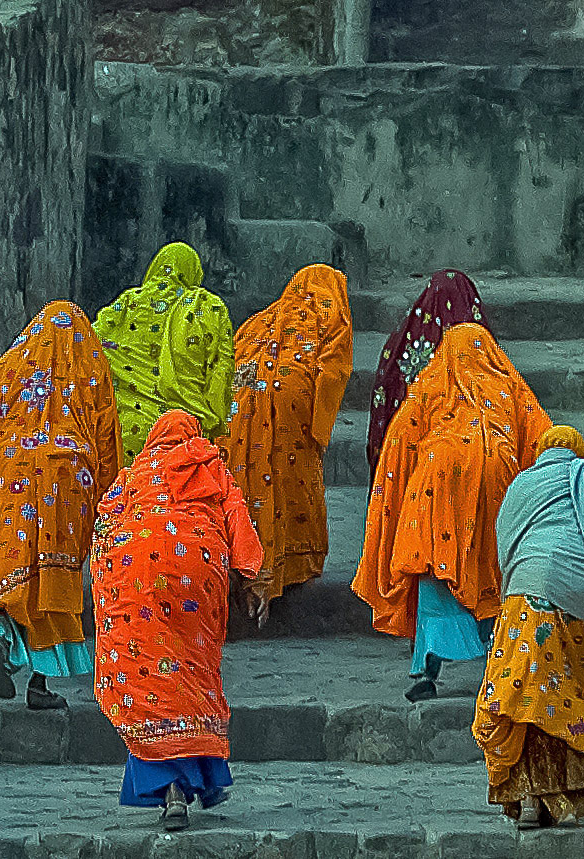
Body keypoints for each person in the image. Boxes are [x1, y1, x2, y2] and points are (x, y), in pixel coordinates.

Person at [353, 322, 551, 701]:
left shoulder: (431, 385)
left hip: (435, 490)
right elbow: (544, 440)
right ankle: (498, 666)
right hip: (496, 491)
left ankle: (427, 672)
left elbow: (397, 442)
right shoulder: (509, 386)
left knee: (435, 578)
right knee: (491, 574)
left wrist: (394, 499)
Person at [474, 426, 584, 828]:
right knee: (582, 689)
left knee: (526, 695)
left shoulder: (523, 485)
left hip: (528, 597)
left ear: (540, 454)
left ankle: (528, 801)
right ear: (580, 453)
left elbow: (505, 544)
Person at [92, 410, 263, 832]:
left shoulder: (134, 473)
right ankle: (185, 785)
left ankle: (170, 788)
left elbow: (104, 526)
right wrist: (250, 578)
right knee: (189, 671)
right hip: (196, 575)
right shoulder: (211, 464)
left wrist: (109, 585)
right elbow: (238, 519)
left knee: (150, 674)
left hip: (137, 579)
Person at [0, 301, 121, 710]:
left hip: (9, 474)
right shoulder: (88, 366)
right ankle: (38, 685)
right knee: (51, 582)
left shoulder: (13, 365)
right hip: (65, 477)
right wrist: (110, 497)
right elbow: (104, 426)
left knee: (13, 575)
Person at [223, 264, 354, 626]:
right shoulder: (330, 314)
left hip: (241, 404)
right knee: (290, 480)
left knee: (249, 481)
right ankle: (283, 568)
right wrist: (319, 427)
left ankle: (242, 566)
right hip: (291, 399)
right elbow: (333, 370)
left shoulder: (261, 319)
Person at [95, 243, 234, 462]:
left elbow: (93, 350)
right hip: (182, 436)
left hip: (127, 432)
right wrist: (212, 423)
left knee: (129, 492)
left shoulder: (128, 302)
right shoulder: (208, 307)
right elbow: (221, 371)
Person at [366, 269, 485, 477]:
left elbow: (383, 402)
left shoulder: (397, 348)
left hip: (404, 451)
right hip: (463, 458)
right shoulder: (478, 347)